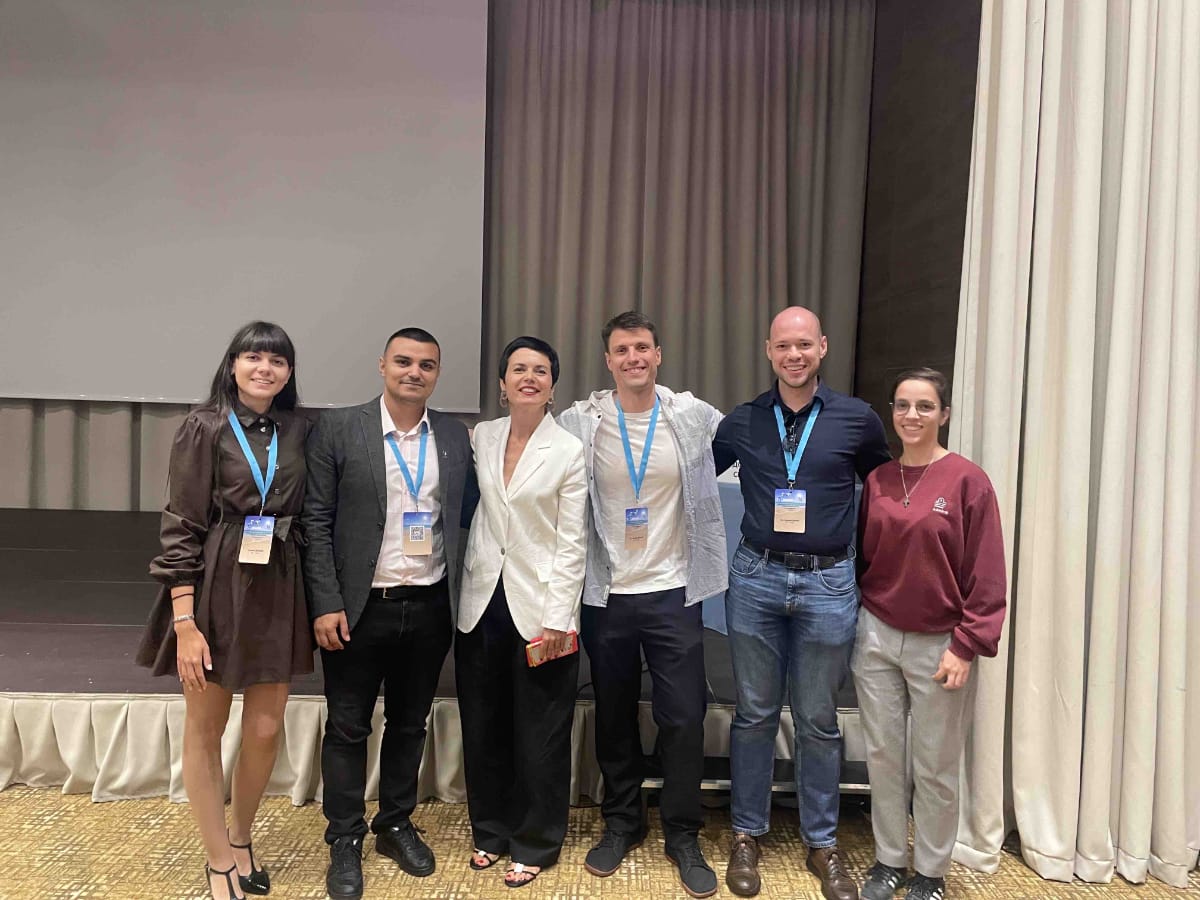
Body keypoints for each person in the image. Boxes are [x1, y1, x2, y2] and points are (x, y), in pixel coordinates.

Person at [713, 306, 891, 900]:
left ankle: (823, 843)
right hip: (758, 579)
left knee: (818, 720)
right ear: (769, 350)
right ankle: (746, 834)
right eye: (784, 346)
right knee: (754, 714)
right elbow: (688, 484)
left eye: (804, 345)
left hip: (828, 583)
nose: (794, 355)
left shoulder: (857, 420)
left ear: (822, 348)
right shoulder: (742, 422)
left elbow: (885, 495)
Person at [137, 321, 313, 900]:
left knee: (265, 728)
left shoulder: (298, 428)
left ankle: (241, 839)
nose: (265, 368)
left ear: (289, 372)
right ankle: (218, 863)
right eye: (253, 357)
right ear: (232, 364)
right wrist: (184, 622)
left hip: (278, 583)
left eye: (277, 361)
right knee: (206, 727)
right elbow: (181, 525)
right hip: (215, 584)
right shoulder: (203, 425)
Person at [301, 327, 475, 900]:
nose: (414, 372)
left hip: (428, 605)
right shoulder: (340, 428)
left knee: (409, 723)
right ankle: (344, 837)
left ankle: (394, 823)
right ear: (381, 365)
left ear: (437, 373)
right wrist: (325, 602)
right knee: (347, 728)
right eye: (403, 361)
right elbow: (316, 523)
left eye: (426, 365)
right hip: (359, 610)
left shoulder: (453, 435)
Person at [558, 311, 726, 898]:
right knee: (613, 713)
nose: (633, 358)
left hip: (675, 590)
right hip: (606, 594)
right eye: (622, 350)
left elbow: (743, 452)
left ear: (659, 355)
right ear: (608, 360)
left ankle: (682, 832)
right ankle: (622, 822)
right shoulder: (580, 421)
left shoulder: (693, 416)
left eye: (643, 348)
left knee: (682, 717)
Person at [853, 369, 1006, 900]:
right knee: (884, 756)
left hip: (942, 644)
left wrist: (967, 645)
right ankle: (890, 860)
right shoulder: (877, 480)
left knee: (936, 765)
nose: (911, 416)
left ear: (943, 414)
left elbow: (987, 574)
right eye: (901, 405)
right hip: (876, 636)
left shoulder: (968, 481)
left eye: (924, 406)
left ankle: (931, 872)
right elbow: (864, 558)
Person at [455, 336, 587, 889]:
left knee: (541, 733)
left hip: (542, 607)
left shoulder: (569, 450)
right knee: (483, 725)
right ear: (503, 385)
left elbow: (573, 542)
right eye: (518, 370)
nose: (528, 377)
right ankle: (490, 829)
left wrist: (560, 616)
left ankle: (535, 841)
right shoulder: (482, 437)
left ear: (553, 386)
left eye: (540, 370)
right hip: (481, 601)